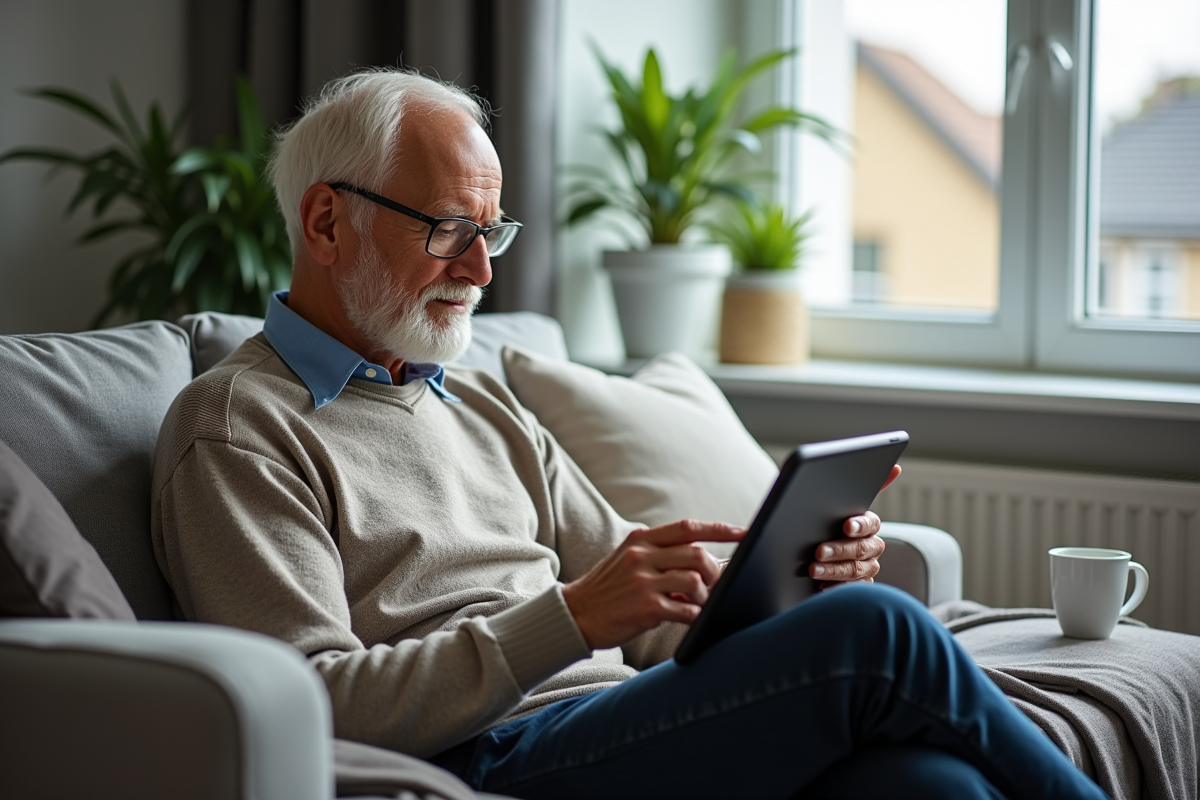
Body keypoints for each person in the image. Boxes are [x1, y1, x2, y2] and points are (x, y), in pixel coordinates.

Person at [150, 69, 1108, 800]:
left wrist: (788, 591)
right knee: (882, 628)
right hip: (484, 755)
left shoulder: (480, 403)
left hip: (608, 720)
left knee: (928, 786)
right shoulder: (239, 427)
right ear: (326, 221)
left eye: (493, 232)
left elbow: (647, 615)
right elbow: (310, 703)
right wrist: (566, 619)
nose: (482, 271)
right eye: (449, 230)